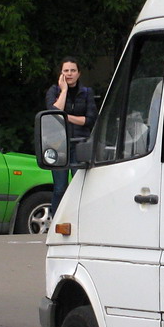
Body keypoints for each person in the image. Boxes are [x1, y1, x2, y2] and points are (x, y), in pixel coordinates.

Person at [44, 57, 97, 215]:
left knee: (79, 186)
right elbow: (53, 114)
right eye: (66, 70)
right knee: (60, 188)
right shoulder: (54, 91)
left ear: (79, 73)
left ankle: (79, 219)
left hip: (80, 144)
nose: (69, 74)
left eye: (73, 70)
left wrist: (65, 117)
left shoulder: (87, 93)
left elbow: (89, 120)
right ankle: (57, 222)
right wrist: (64, 90)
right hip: (58, 145)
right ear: (61, 73)